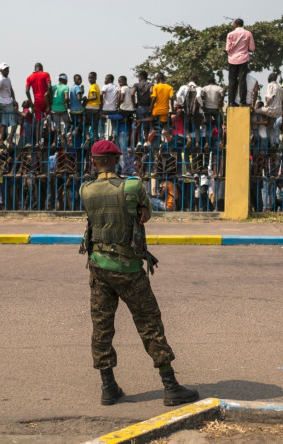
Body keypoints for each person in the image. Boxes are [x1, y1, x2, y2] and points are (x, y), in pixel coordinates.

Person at [78, 139, 198, 407]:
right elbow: (145, 215)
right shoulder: (132, 185)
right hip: (129, 268)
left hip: (98, 267)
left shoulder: (84, 189)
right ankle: (170, 386)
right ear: (117, 160)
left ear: (94, 162)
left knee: (102, 327)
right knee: (149, 323)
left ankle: (108, 388)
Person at [225, 18, 255, 106]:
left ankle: (231, 101)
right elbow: (252, 48)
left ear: (235, 24)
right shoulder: (248, 33)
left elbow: (227, 49)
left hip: (232, 60)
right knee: (242, 80)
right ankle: (243, 101)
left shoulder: (230, 34)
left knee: (232, 81)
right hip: (243, 59)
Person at [0, 63, 17, 149]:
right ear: (1, 70)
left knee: (4, 123)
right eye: (5, 69)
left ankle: (0, 140)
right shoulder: (1, 80)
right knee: (16, 120)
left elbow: (11, 89)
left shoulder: (7, 78)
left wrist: (14, 99)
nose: (7, 71)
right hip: (5, 103)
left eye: (7, 69)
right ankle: (9, 138)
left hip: (7, 102)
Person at [26, 62, 52, 146]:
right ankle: (48, 141)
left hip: (36, 102)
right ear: (41, 68)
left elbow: (27, 91)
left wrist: (30, 102)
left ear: (35, 68)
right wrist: (49, 98)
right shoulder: (45, 74)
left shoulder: (29, 77)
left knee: (38, 122)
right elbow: (49, 87)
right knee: (50, 119)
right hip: (45, 100)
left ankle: (37, 142)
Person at [150, 73, 174, 146]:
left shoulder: (155, 87)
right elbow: (172, 98)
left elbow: (154, 98)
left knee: (152, 120)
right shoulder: (170, 87)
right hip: (165, 110)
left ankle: (153, 130)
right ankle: (164, 130)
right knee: (163, 123)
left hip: (156, 110)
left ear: (158, 78)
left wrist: (151, 108)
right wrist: (172, 109)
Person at [132, 71, 154, 148]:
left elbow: (132, 93)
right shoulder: (150, 84)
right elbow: (151, 92)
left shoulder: (136, 85)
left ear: (141, 77)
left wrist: (134, 104)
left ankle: (138, 142)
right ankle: (146, 142)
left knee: (138, 124)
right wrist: (151, 105)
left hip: (140, 107)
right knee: (146, 126)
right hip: (148, 107)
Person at [51, 74, 71, 148]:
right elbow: (66, 98)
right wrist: (67, 105)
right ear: (65, 80)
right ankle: (63, 135)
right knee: (69, 123)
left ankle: (55, 141)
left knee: (57, 126)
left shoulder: (53, 87)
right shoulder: (65, 87)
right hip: (62, 109)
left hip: (54, 109)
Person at [100, 74, 120, 141]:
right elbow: (120, 93)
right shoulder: (116, 86)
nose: (105, 80)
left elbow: (101, 93)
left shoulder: (105, 86)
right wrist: (118, 102)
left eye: (106, 79)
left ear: (109, 80)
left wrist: (101, 103)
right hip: (113, 108)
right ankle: (113, 137)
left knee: (102, 123)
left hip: (105, 108)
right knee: (114, 124)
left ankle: (102, 137)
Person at [84, 72, 101, 146]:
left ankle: (87, 136)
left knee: (85, 123)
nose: (90, 79)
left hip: (90, 108)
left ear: (95, 78)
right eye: (89, 78)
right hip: (96, 108)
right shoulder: (97, 86)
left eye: (91, 77)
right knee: (95, 126)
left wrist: (87, 100)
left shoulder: (93, 86)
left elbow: (95, 97)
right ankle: (95, 140)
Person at [68, 74, 84, 147]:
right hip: (78, 111)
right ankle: (71, 136)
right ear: (75, 80)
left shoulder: (72, 87)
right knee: (78, 126)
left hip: (72, 110)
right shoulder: (77, 87)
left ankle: (69, 134)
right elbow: (78, 98)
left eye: (80, 79)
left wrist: (82, 90)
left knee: (74, 125)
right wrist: (84, 99)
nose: (80, 80)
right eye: (78, 79)